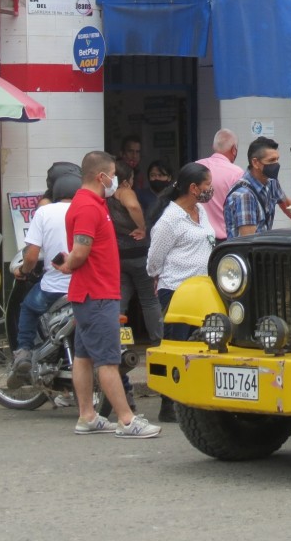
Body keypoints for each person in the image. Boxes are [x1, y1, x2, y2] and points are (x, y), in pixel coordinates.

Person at [55, 150, 160, 438]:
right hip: (97, 293)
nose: (115, 180)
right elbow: (81, 251)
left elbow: (80, 251)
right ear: (101, 176)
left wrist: (70, 262)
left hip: (92, 292)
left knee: (85, 357)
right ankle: (127, 419)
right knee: (107, 360)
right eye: (113, 175)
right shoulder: (89, 206)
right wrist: (68, 264)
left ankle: (87, 416)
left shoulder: (91, 203)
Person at [147, 162, 217, 421]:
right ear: (193, 187)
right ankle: (169, 404)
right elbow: (153, 260)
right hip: (176, 292)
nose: (211, 189)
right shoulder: (170, 219)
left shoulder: (201, 211)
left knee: (201, 345)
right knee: (175, 347)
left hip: (203, 292)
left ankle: (195, 400)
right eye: (208, 184)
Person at [6, 172, 83, 389]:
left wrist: (23, 270)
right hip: (84, 285)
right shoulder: (89, 210)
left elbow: (31, 257)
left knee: (28, 307)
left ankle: (23, 353)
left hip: (54, 286)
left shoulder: (44, 212)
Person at [109, 160, 162, 348]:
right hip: (138, 254)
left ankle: (119, 343)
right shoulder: (124, 191)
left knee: (120, 300)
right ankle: (158, 342)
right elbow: (133, 206)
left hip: (118, 255)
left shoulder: (105, 195)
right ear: (125, 180)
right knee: (149, 300)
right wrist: (142, 227)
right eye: (131, 178)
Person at [224, 137, 291, 238]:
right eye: (271, 160)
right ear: (255, 163)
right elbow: (248, 239)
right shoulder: (244, 195)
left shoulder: (271, 182)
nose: (276, 164)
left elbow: (287, 205)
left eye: (277, 159)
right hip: (248, 251)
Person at [197, 129, 242, 241]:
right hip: (224, 241)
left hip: (198, 239)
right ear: (234, 150)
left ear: (213, 146)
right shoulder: (237, 173)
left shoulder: (196, 166)